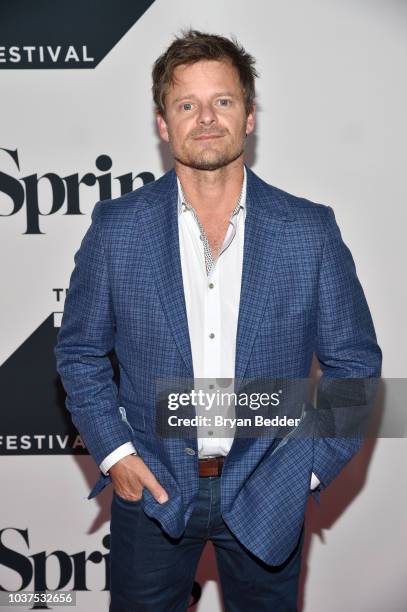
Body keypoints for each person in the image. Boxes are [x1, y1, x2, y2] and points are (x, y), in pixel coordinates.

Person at [55, 29, 382, 612]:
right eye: (187, 105)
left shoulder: (308, 231)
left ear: (250, 116)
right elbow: (79, 353)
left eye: (223, 102)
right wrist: (115, 455)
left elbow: (354, 363)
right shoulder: (116, 227)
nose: (206, 119)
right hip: (152, 489)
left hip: (267, 489)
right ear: (163, 123)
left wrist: (305, 471)